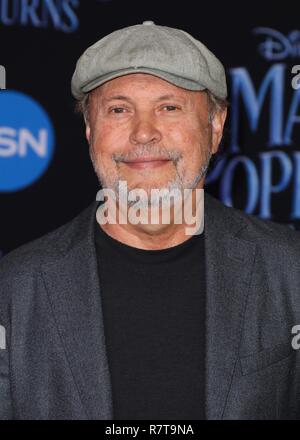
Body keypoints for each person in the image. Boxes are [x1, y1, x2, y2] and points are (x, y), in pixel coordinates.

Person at [0, 21, 300, 420]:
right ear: (90, 130)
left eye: (169, 107)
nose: (144, 133)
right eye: (119, 109)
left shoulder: (289, 269)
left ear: (215, 127)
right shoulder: (14, 288)